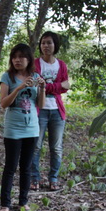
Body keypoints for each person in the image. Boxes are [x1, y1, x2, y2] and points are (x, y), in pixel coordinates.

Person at [0, 43, 46, 211]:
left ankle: (23, 201)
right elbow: (3, 103)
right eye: (15, 56)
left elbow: (40, 105)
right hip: (13, 129)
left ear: (29, 59)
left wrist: (42, 87)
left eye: (22, 56)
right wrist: (19, 88)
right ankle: (5, 203)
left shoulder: (35, 76)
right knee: (10, 167)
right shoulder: (8, 77)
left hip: (32, 128)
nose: (18, 60)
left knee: (26, 167)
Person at [30, 31, 70, 191]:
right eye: (43, 43)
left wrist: (47, 87)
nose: (46, 46)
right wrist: (57, 86)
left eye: (49, 43)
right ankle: (35, 179)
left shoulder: (61, 65)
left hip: (57, 111)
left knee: (56, 147)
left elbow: (66, 87)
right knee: (36, 146)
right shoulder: (35, 64)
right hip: (40, 111)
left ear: (55, 45)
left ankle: (53, 178)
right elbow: (35, 84)